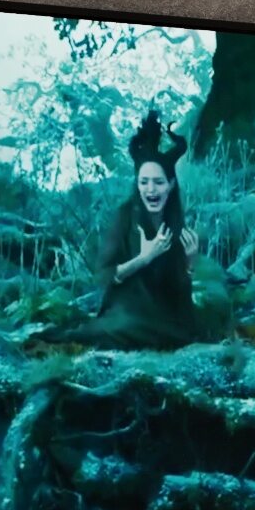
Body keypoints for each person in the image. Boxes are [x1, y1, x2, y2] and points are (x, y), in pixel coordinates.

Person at [88, 110, 202, 350]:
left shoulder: (174, 223)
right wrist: (144, 258)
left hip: (161, 316)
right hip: (126, 311)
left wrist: (189, 265)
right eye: (144, 182)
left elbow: (179, 296)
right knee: (127, 326)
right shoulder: (126, 216)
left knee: (186, 333)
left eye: (158, 182)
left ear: (170, 185)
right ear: (138, 185)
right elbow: (104, 276)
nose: (151, 189)